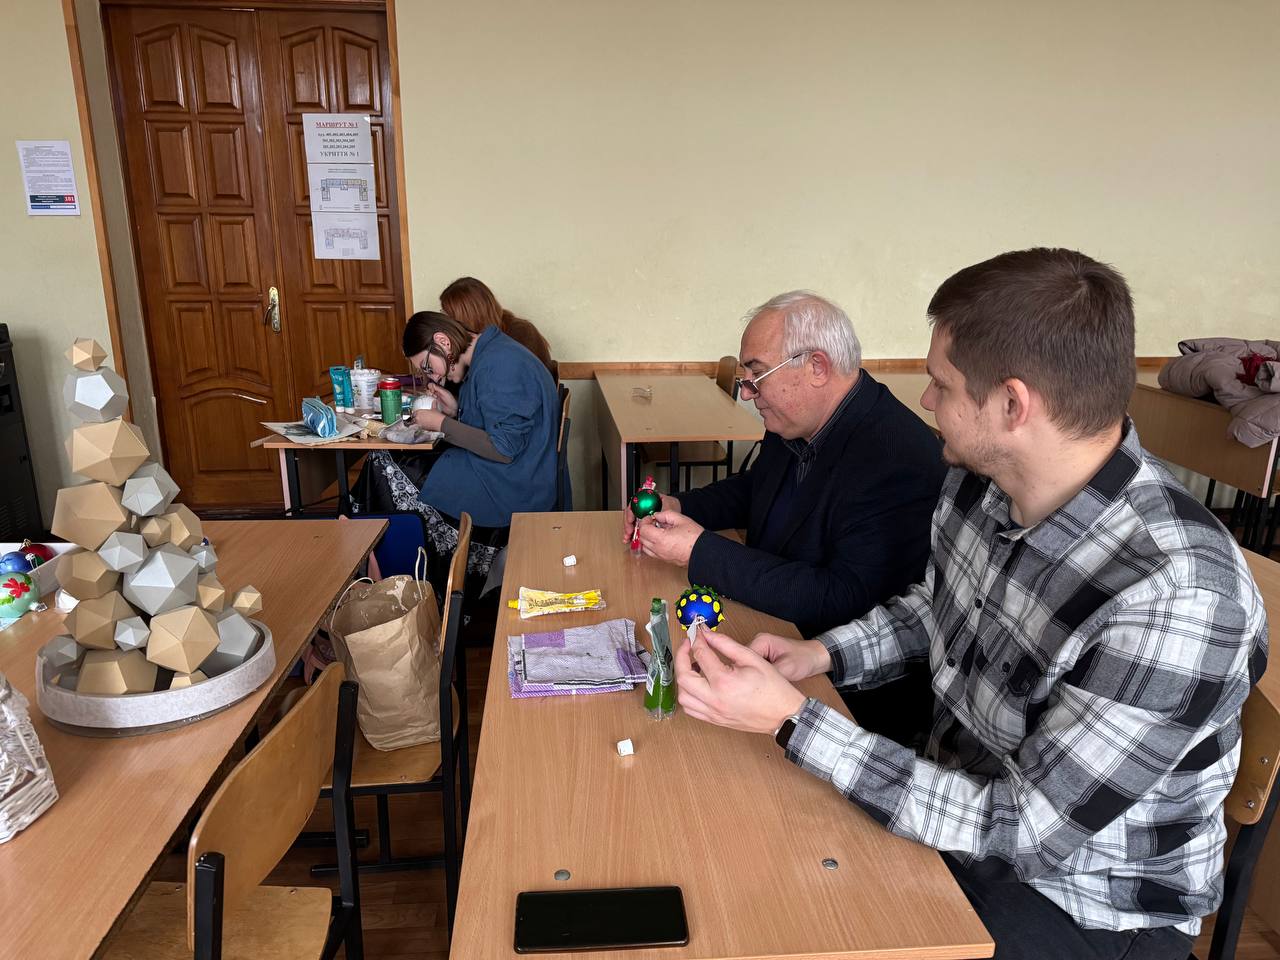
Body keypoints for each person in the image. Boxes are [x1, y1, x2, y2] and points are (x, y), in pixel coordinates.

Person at [670, 249, 1268, 960]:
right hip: (960, 807)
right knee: (742, 854)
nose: (925, 401)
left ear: (1013, 405)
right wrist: (821, 654)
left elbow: (1028, 831)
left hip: (1083, 903)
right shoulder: (982, 485)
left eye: (941, 383)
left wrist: (795, 720)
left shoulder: (1176, 595)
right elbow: (938, 607)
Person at [626, 291, 946, 740]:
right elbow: (756, 489)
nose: (746, 393)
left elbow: (842, 599)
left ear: (816, 367)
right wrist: (681, 506)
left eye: (756, 375)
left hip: (838, 692)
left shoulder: (894, 457)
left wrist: (697, 551)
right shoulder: (798, 418)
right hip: (768, 630)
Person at [357, 311, 559, 582]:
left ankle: (386, 578)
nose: (434, 377)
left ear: (443, 341)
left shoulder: (501, 365)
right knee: (392, 461)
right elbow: (497, 423)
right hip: (514, 472)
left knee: (382, 464)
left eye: (428, 367)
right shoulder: (494, 354)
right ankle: (390, 575)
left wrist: (441, 423)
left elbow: (504, 449)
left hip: (512, 484)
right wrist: (454, 411)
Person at [440, 276, 557, 378]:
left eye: (448, 316)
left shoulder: (521, 333)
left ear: (468, 316)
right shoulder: (478, 338)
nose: (446, 324)